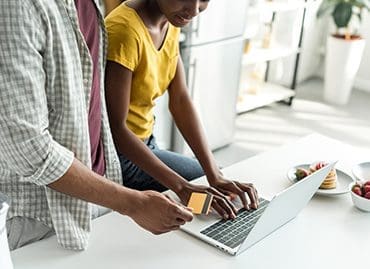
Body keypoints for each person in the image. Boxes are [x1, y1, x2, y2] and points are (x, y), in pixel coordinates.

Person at [0, 0, 193, 251]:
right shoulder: (16, 7)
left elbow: (92, 109)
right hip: (36, 220)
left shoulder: (90, 5)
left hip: (93, 197)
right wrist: (133, 203)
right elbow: (28, 148)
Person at [104, 0, 259, 220]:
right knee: (205, 198)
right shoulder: (124, 31)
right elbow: (116, 130)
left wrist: (214, 173)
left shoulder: (170, 20)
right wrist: (182, 187)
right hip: (120, 157)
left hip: (147, 143)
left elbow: (180, 100)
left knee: (217, 190)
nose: (194, 10)